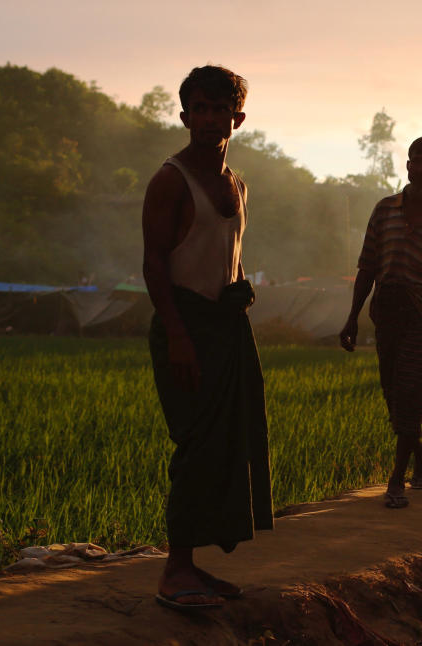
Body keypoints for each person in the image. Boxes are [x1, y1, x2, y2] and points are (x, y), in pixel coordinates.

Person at [142, 65, 272, 611]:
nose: (210, 118)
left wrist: (239, 289)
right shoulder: (170, 179)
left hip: (225, 328)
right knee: (196, 446)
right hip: (185, 326)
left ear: (237, 118)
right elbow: (154, 266)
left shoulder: (236, 184)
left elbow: (227, 259)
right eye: (200, 108)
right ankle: (174, 571)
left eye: (221, 109)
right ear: (185, 115)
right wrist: (178, 338)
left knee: (227, 445)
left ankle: (194, 565)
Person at [340, 137, 422, 509]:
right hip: (388, 314)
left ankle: (397, 479)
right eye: (415, 162)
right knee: (393, 397)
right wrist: (352, 317)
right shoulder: (384, 210)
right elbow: (367, 266)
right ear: (407, 164)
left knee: (411, 393)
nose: (420, 169)